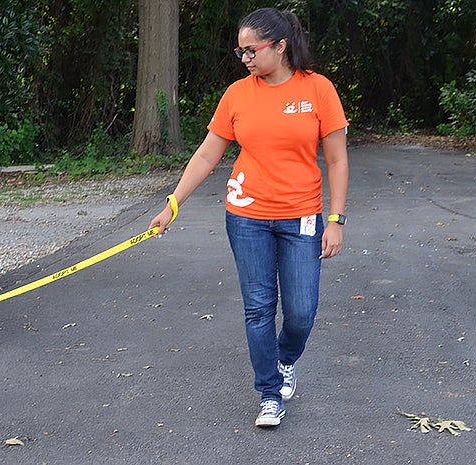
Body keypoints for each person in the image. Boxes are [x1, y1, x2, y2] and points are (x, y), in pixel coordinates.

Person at [149, 7, 349, 427]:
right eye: (240, 52)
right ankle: (269, 394)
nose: (245, 59)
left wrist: (336, 218)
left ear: (280, 45)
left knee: (301, 312)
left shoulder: (318, 90)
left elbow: (336, 158)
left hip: (303, 217)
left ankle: (285, 359)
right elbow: (207, 154)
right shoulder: (237, 95)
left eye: (251, 50)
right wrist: (173, 204)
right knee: (259, 308)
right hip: (246, 216)